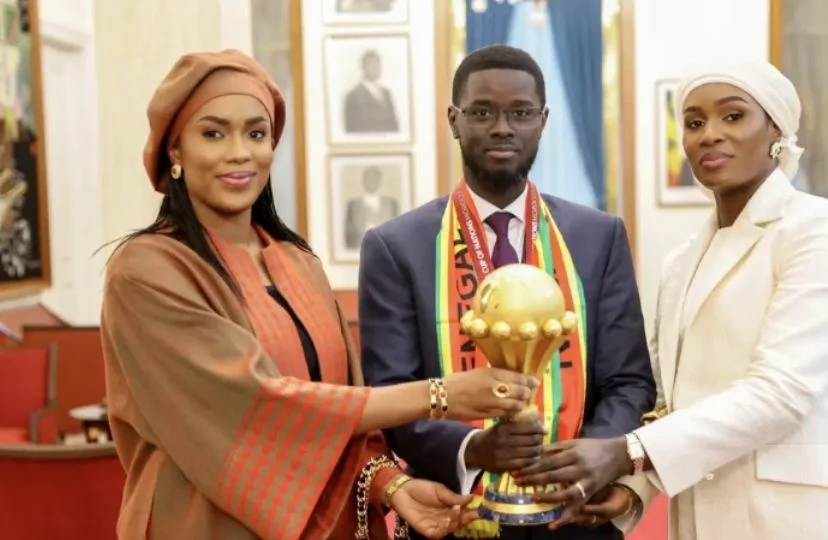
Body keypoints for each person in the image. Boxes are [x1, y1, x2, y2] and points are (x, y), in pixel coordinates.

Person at [100, 49, 539, 540]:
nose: (240, 152)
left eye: (257, 133)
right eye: (213, 133)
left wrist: (392, 487)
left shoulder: (296, 260)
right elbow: (262, 406)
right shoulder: (147, 270)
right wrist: (439, 396)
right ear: (174, 150)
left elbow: (344, 406)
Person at [515, 61, 828, 539]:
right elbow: (670, 403)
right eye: (693, 122)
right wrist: (633, 489)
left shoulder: (823, 230)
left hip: (816, 516)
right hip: (709, 516)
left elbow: (781, 392)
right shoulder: (681, 263)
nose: (709, 134)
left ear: (776, 129)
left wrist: (627, 450)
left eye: (732, 117)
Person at [358, 44, 655, 539]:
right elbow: (392, 394)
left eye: (519, 112)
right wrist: (475, 450)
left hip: (575, 517)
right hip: (454, 517)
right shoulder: (396, 247)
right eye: (482, 112)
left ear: (543, 120)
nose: (502, 127)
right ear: (454, 120)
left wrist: (593, 457)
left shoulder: (598, 237)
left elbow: (628, 380)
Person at [344, 50, 399, 134]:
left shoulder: (386, 93)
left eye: (378, 65)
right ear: (363, 68)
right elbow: (351, 131)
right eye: (372, 65)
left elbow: (395, 126)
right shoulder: (353, 97)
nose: (376, 68)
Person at [344, 166, 399, 249]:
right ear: (364, 181)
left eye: (374, 179)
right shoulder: (353, 205)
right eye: (368, 178)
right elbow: (349, 235)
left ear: (379, 181)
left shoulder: (391, 204)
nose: (371, 182)